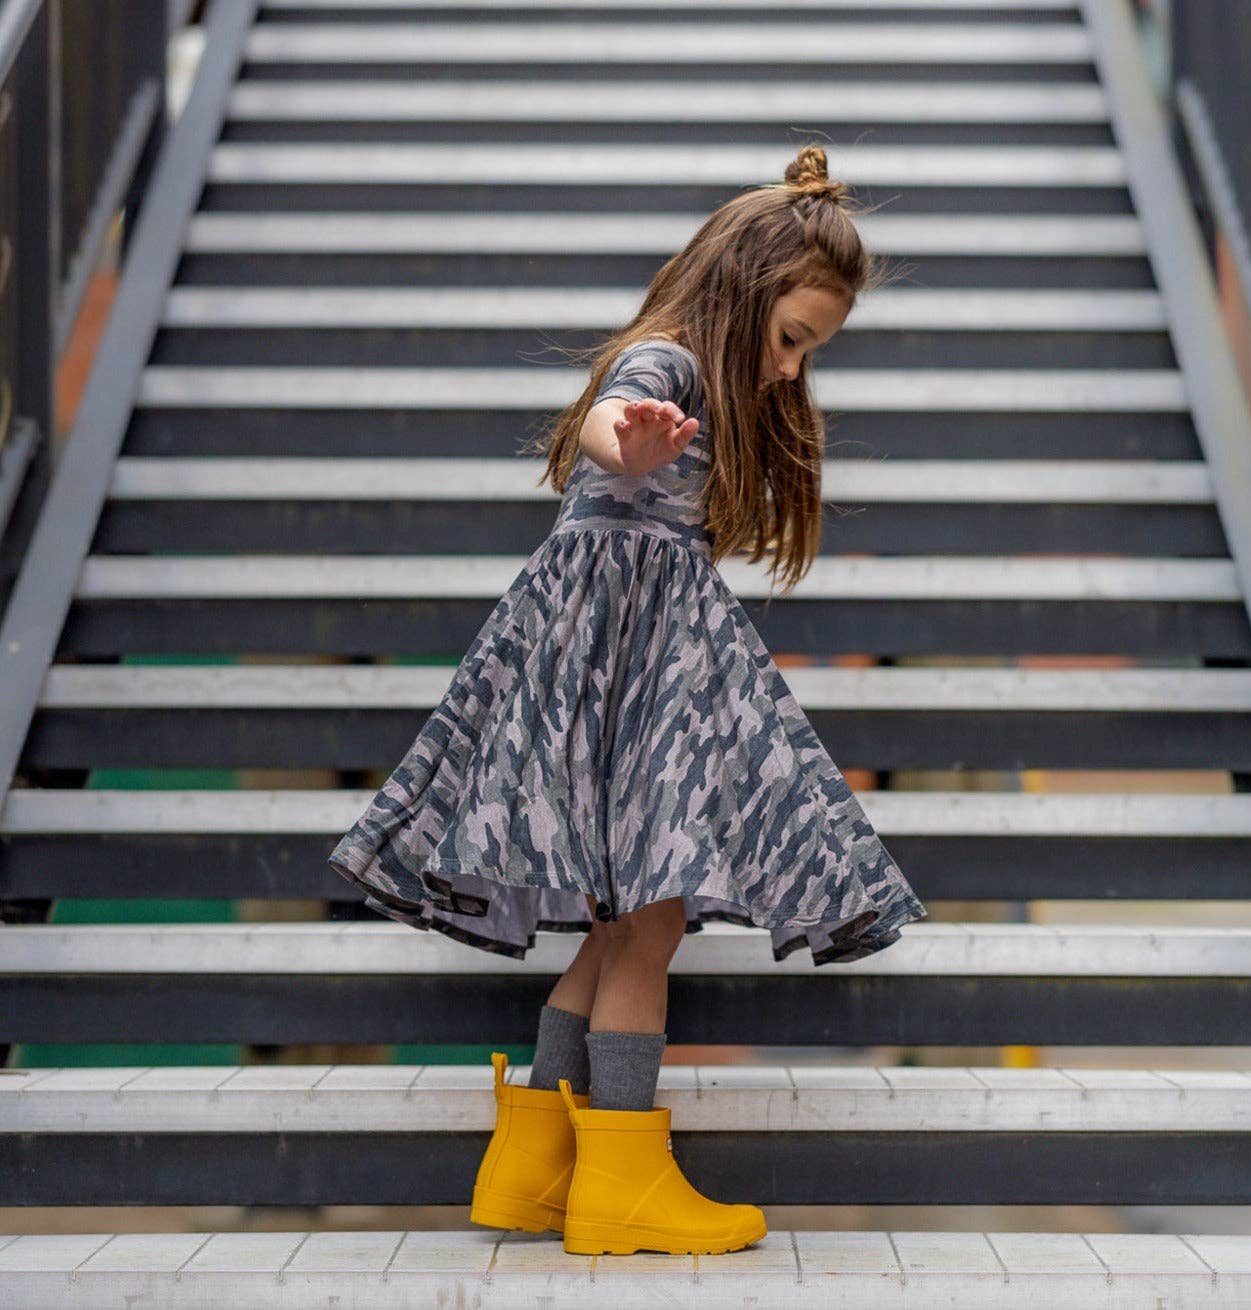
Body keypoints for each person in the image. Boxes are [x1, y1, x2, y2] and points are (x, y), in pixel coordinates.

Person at [328, 143, 929, 1257]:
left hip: (625, 664)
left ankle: (533, 1164)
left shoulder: (700, 372)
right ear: (742, 287)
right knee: (649, 923)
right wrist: (629, 444)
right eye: (790, 337)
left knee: (618, 926)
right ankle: (622, 1177)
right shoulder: (668, 364)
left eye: (810, 351)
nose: (792, 369)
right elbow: (615, 414)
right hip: (625, 668)